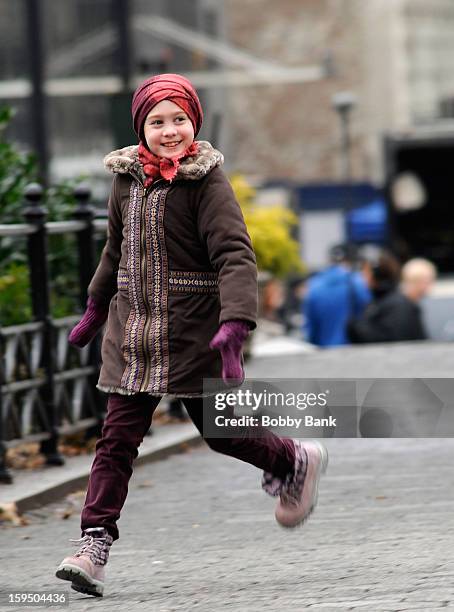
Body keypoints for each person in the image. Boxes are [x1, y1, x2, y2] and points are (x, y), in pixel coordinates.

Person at [55, 74, 328, 597]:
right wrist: (95, 304)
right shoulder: (125, 181)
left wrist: (234, 325)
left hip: (191, 332)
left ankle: (292, 459)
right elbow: (114, 249)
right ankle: (92, 544)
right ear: (142, 128)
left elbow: (234, 255)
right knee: (116, 441)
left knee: (221, 432)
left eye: (179, 119)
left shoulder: (207, 181)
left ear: (194, 122)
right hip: (133, 334)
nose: (170, 131)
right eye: (157, 122)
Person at [347, 251, 436, 343]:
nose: (362, 277)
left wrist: (357, 328)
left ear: (377, 274)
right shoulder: (381, 302)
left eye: (365, 272)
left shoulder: (397, 305)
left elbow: (395, 343)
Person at [303, 243, 371, 347]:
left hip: (323, 350)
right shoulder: (358, 282)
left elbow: (310, 329)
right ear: (351, 260)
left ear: (330, 260)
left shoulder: (314, 285)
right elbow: (367, 315)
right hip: (353, 350)